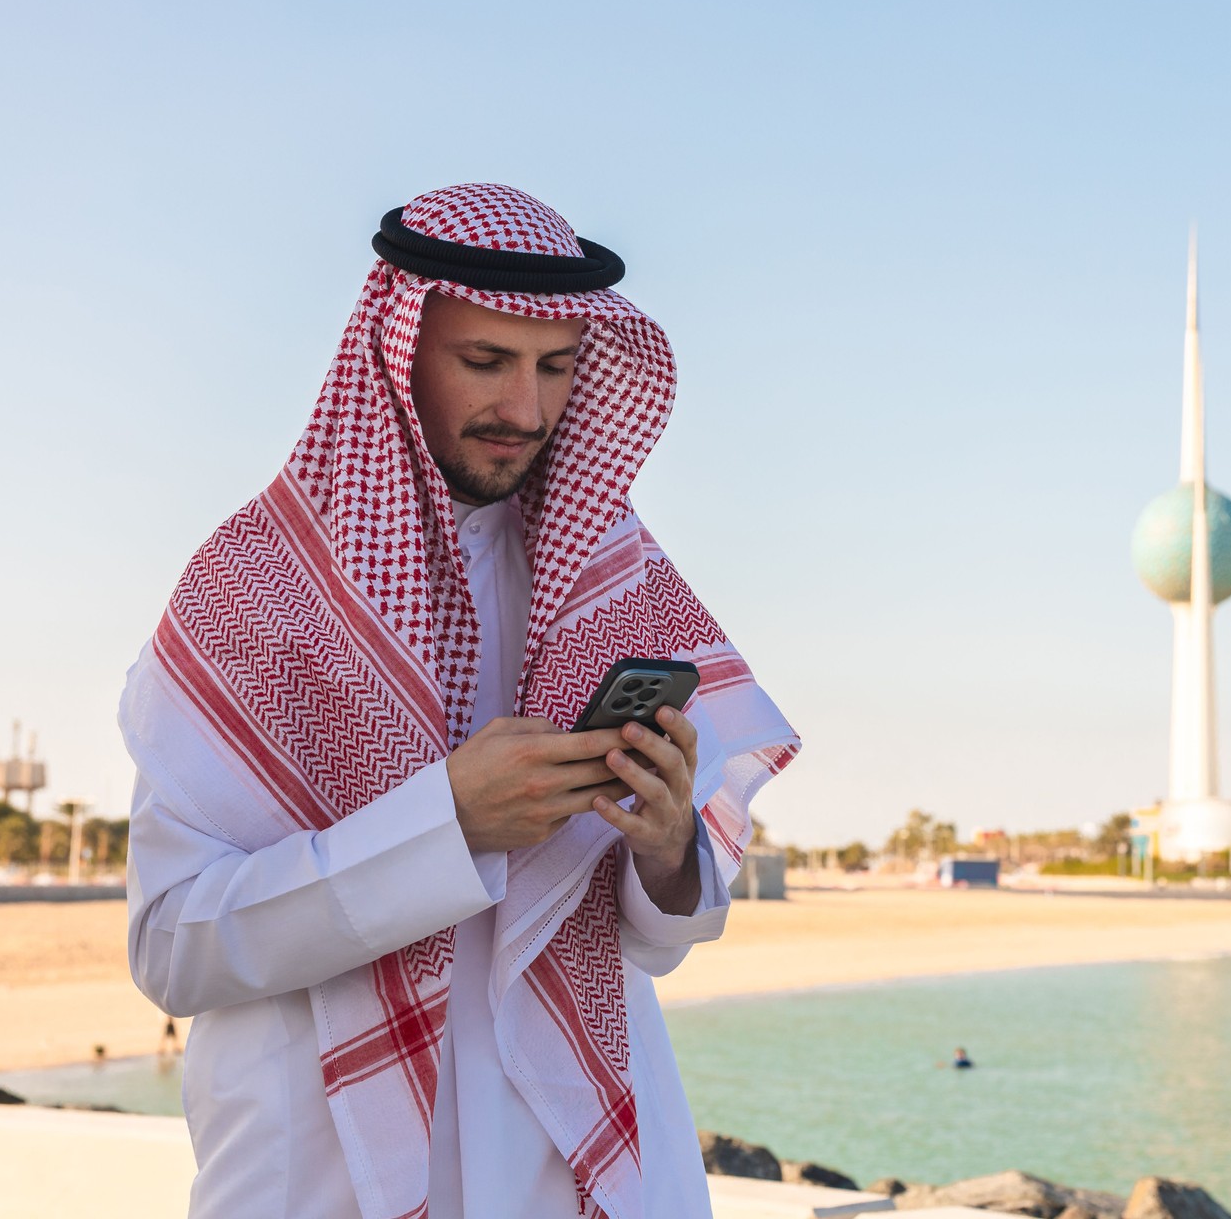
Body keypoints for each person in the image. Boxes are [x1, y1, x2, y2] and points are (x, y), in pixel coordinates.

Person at [122, 184, 799, 1219]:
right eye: (485, 361)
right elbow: (174, 946)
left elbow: (658, 934)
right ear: (396, 353)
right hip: (325, 1164)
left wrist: (667, 851)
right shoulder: (255, 590)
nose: (525, 409)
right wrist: (448, 821)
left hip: (585, 1159)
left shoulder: (616, 582)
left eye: (557, 367)